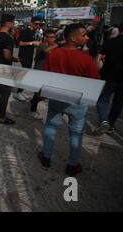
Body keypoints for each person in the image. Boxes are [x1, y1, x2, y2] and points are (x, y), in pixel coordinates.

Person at [38, 23, 100, 177]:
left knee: (51, 126)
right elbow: (94, 81)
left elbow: (45, 76)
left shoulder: (54, 54)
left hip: (56, 98)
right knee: (76, 134)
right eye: (84, 35)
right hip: (77, 101)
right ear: (73, 38)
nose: (87, 37)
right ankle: (72, 165)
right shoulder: (86, 59)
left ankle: (46, 157)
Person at [0, 14, 19, 124]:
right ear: (10, 24)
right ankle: (1, 117)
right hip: (4, 68)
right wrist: (15, 59)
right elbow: (7, 55)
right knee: (5, 94)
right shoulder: (8, 38)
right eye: (13, 23)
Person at [29, 30, 58, 120]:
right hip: (40, 71)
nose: (53, 39)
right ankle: (32, 110)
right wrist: (55, 46)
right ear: (46, 38)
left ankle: (33, 102)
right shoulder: (42, 45)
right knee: (39, 92)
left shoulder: (53, 47)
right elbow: (44, 51)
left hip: (48, 72)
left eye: (54, 37)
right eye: (51, 37)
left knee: (44, 93)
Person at [14, 16, 42, 101]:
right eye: (36, 24)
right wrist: (32, 43)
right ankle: (18, 92)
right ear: (31, 23)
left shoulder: (33, 32)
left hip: (29, 55)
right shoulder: (26, 31)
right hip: (24, 56)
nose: (38, 26)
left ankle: (21, 91)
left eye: (40, 24)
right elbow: (20, 43)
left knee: (26, 74)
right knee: (25, 74)